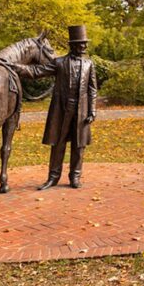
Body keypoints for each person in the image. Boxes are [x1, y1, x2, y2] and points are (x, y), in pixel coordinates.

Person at [27, 25, 98, 189]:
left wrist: (92, 110)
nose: (84, 46)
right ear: (72, 45)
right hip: (62, 110)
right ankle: (53, 177)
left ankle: (75, 177)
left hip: (81, 110)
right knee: (58, 144)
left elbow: (92, 89)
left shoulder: (89, 64)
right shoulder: (59, 62)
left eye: (85, 43)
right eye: (81, 44)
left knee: (79, 145)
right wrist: (15, 68)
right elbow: (37, 71)